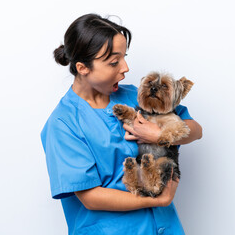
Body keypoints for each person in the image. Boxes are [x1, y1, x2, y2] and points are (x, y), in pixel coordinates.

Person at [40, 13, 202, 235]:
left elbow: (194, 129)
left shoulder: (136, 96)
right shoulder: (63, 124)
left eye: (124, 57)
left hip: (166, 227)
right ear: (82, 67)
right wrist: (158, 201)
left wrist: (159, 136)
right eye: (114, 62)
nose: (125, 68)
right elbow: (90, 197)